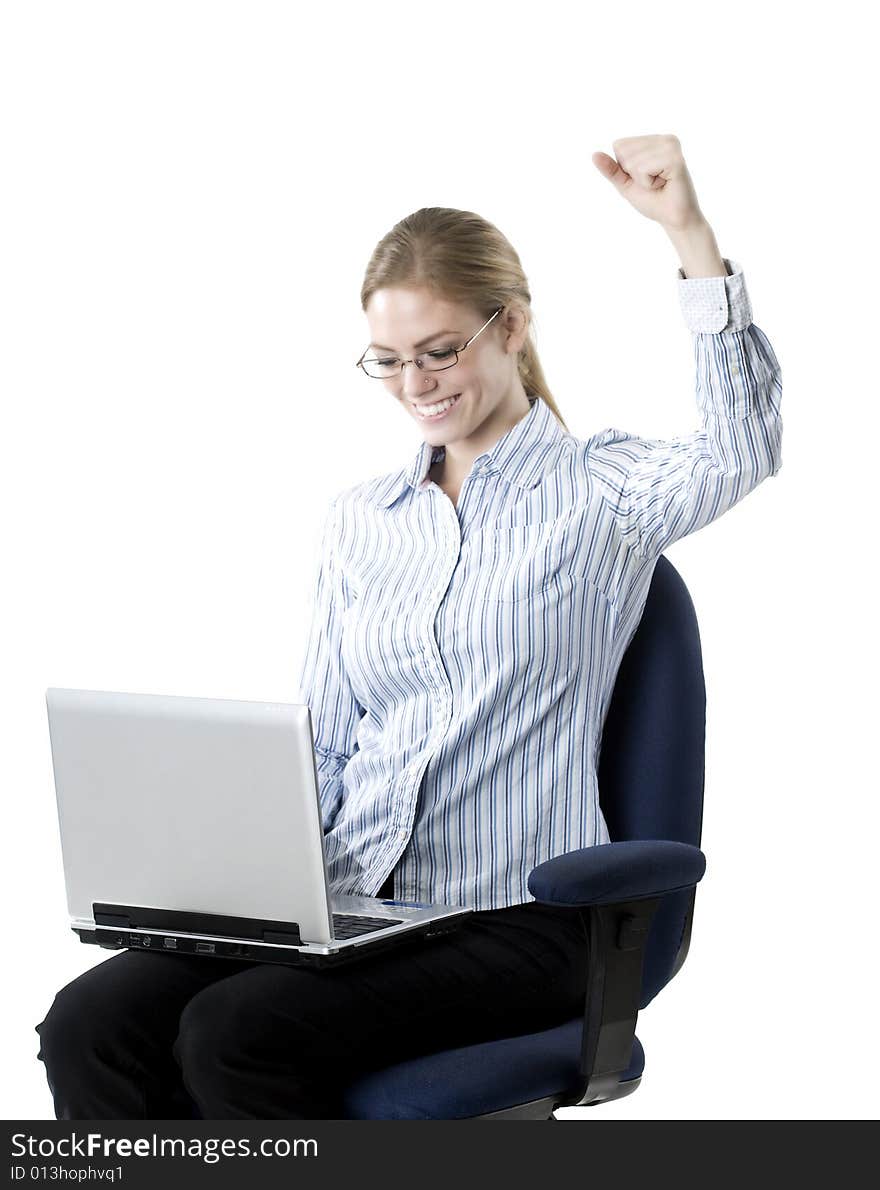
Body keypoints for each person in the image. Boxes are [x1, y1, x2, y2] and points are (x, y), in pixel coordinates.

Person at [34, 134, 783, 1119]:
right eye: (387, 361)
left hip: (519, 915)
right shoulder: (360, 522)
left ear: (509, 326)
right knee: (92, 1021)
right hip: (362, 906)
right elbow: (330, 742)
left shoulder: (600, 491)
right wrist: (232, 874)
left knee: (238, 1032)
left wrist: (688, 236)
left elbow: (742, 447)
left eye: (439, 352)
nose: (416, 383)